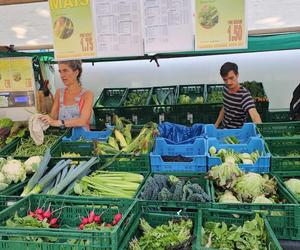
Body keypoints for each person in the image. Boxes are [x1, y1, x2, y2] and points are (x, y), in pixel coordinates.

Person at [39, 60, 93, 129]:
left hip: (81, 138)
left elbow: (83, 121)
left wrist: (58, 122)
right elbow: (53, 117)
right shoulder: (59, 93)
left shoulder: (87, 94)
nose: (62, 75)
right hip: (63, 137)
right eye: (60, 72)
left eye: (65, 71)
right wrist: (41, 118)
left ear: (76, 72)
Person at [214, 62, 261, 129]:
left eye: (231, 78)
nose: (228, 82)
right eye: (225, 79)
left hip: (238, 133)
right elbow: (225, 108)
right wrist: (216, 124)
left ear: (237, 75)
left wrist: (260, 129)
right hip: (224, 129)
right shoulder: (225, 89)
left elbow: (254, 114)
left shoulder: (244, 95)